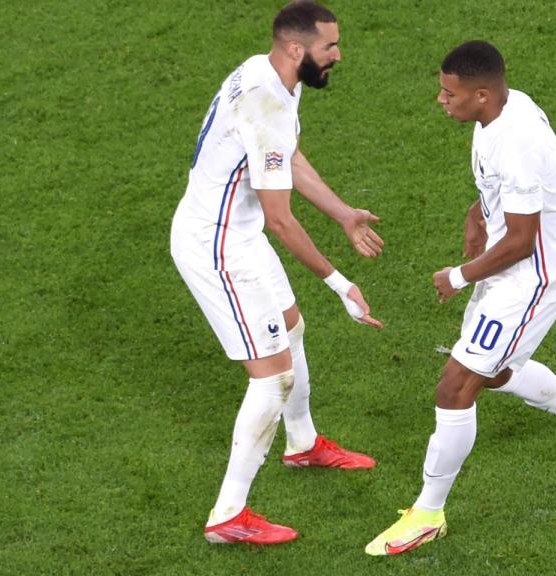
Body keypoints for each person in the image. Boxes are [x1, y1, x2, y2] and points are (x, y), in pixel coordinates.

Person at [365, 40, 556, 556]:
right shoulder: (500, 113)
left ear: (483, 94)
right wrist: (477, 215)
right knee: (491, 371)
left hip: (530, 278)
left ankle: (427, 513)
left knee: (455, 386)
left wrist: (459, 276)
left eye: (450, 94)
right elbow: (504, 194)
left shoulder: (516, 141)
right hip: (510, 269)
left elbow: (522, 241)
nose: (441, 100)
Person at [170, 1, 384, 546]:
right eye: (329, 47)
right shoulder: (265, 99)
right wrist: (341, 284)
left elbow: (284, 155)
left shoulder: (268, 75)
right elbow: (281, 221)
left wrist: (342, 213)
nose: (337, 55)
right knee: (272, 378)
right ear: (296, 49)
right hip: (217, 247)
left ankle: (302, 443)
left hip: (236, 233)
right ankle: (227, 516)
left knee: (290, 327)